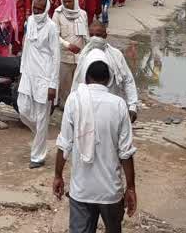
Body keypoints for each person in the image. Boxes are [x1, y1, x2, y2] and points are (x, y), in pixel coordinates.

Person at [53, 61, 137, 233]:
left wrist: (57, 175)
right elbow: (126, 153)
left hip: (81, 189)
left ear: (86, 78)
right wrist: (130, 188)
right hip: (110, 191)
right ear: (108, 81)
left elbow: (64, 144)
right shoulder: (119, 105)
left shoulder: (74, 100)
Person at [18, 0, 60, 169]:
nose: (36, 12)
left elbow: (56, 56)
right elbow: (26, 46)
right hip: (28, 73)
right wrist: (21, 71)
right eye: (34, 8)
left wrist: (53, 84)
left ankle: (38, 156)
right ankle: (40, 135)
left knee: (43, 117)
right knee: (23, 109)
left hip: (45, 76)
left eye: (40, 10)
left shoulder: (51, 27)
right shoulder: (30, 21)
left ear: (46, 9)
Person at [73, 21, 139, 121]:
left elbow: (128, 80)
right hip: (88, 109)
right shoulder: (84, 55)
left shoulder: (116, 55)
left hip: (112, 108)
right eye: (91, 35)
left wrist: (133, 106)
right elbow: (77, 82)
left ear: (105, 35)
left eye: (98, 35)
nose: (94, 38)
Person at [52, 0, 89, 108]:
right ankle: (65, 107)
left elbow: (86, 35)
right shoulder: (57, 14)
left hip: (79, 57)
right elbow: (54, 35)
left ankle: (76, 108)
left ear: (75, 1)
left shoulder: (82, 14)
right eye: (65, 2)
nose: (67, 4)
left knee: (79, 86)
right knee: (65, 86)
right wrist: (68, 45)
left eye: (69, 1)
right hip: (64, 57)